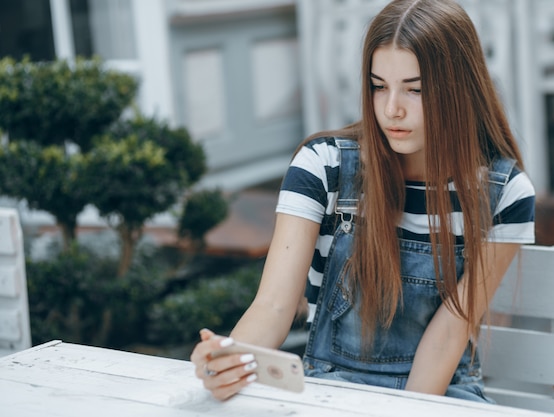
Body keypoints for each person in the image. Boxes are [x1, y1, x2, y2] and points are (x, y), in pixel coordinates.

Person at [190, 0, 535, 403]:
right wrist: (230, 361)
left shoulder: (503, 192)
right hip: (330, 390)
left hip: (438, 395)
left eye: (416, 89)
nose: (392, 109)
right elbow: (274, 306)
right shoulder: (323, 166)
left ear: (460, 90)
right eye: (378, 86)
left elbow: (448, 335)